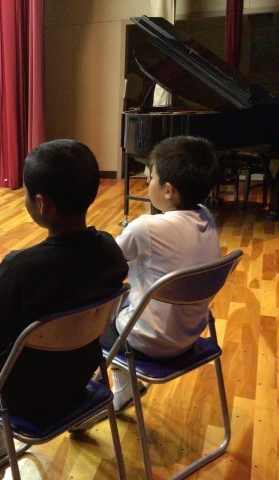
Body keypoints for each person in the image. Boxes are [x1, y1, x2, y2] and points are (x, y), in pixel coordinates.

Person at [0, 139, 128, 456]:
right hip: (79, 379)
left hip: (23, 399)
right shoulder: (109, 251)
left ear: (41, 203)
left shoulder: (21, 268)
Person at [97, 135, 222, 414]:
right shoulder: (206, 217)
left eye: (150, 177)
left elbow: (105, 264)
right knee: (128, 295)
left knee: (94, 312)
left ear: (168, 190)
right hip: (189, 335)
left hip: (148, 343)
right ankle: (124, 388)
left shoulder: (146, 228)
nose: (146, 182)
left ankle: (94, 395)